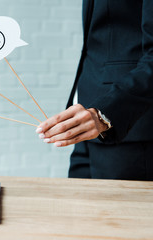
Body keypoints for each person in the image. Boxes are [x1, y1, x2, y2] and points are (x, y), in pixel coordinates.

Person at [36, 0, 153, 180]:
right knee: (76, 205)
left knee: (117, 208)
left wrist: (105, 114)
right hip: (87, 120)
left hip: (131, 128)